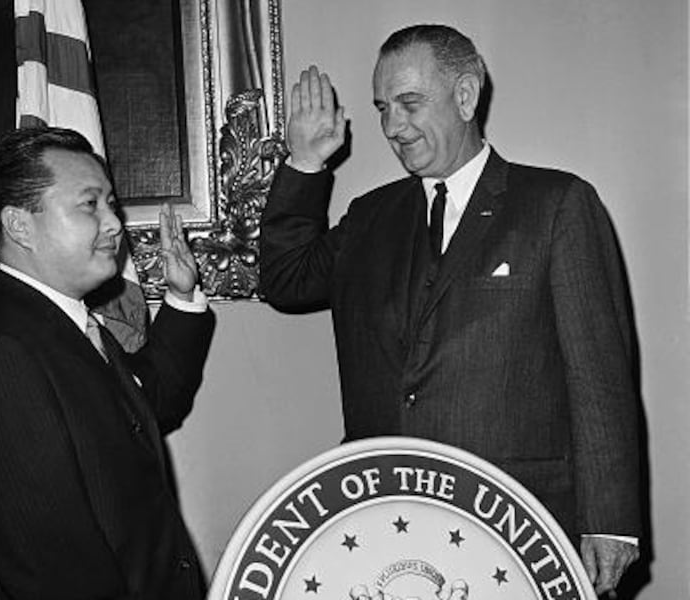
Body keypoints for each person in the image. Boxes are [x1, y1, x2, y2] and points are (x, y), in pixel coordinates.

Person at [260, 24, 641, 596]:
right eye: (384, 108)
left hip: (521, 528)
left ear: (465, 96)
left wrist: (610, 522)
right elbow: (286, 280)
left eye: (410, 104)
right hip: (394, 526)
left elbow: (600, 378)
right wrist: (305, 164)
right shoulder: (372, 217)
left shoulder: (556, 205)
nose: (392, 127)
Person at [0, 127, 214, 598]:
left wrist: (181, 295)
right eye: (90, 204)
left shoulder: (67, 325)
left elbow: (150, 405)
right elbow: (56, 569)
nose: (115, 223)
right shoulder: (3, 355)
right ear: (19, 225)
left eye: (110, 203)